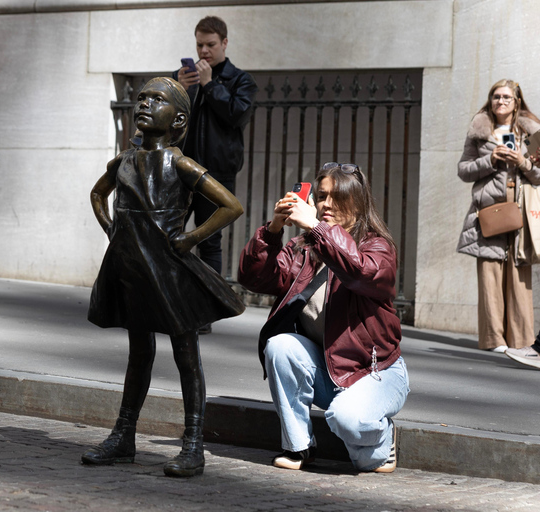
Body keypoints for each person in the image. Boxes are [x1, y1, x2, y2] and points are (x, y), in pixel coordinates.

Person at [82, 77, 245, 477]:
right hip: (131, 267)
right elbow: (97, 195)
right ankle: (123, 436)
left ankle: (193, 444)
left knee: (186, 355)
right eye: (141, 98)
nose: (145, 104)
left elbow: (230, 206)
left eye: (157, 100)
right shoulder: (124, 161)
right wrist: (111, 229)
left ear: (179, 120)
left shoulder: (181, 163)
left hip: (169, 272)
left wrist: (190, 239)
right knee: (138, 354)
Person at [237, 162, 409, 473]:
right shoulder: (304, 248)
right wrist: (272, 230)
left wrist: (318, 228)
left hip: (376, 372)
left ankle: (382, 437)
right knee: (280, 346)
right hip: (328, 370)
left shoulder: (377, 247)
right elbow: (255, 279)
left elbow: (360, 272)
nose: (325, 204)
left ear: (357, 201)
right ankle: (298, 447)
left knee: (363, 448)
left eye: (336, 197)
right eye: (321, 196)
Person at [173, 16, 257, 333]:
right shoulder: (186, 78)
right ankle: (169, 302)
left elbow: (237, 116)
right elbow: (170, 118)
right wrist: (181, 88)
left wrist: (210, 86)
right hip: (181, 171)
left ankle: (204, 313)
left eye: (210, 45)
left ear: (224, 43)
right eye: (199, 45)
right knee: (170, 238)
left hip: (216, 174)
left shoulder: (241, 81)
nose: (204, 51)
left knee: (208, 241)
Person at [457, 79, 540, 352]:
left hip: (521, 213)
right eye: (495, 96)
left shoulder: (531, 133)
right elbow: (464, 170)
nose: (500, 101)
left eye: (506, 97)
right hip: (490, 212)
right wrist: (490, 160)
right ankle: (494, 340)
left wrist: (523, 162)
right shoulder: (479, 131)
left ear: (517, 101)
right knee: (490, 276)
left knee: (519, 276)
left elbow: (538, 176)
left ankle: (523, 340)